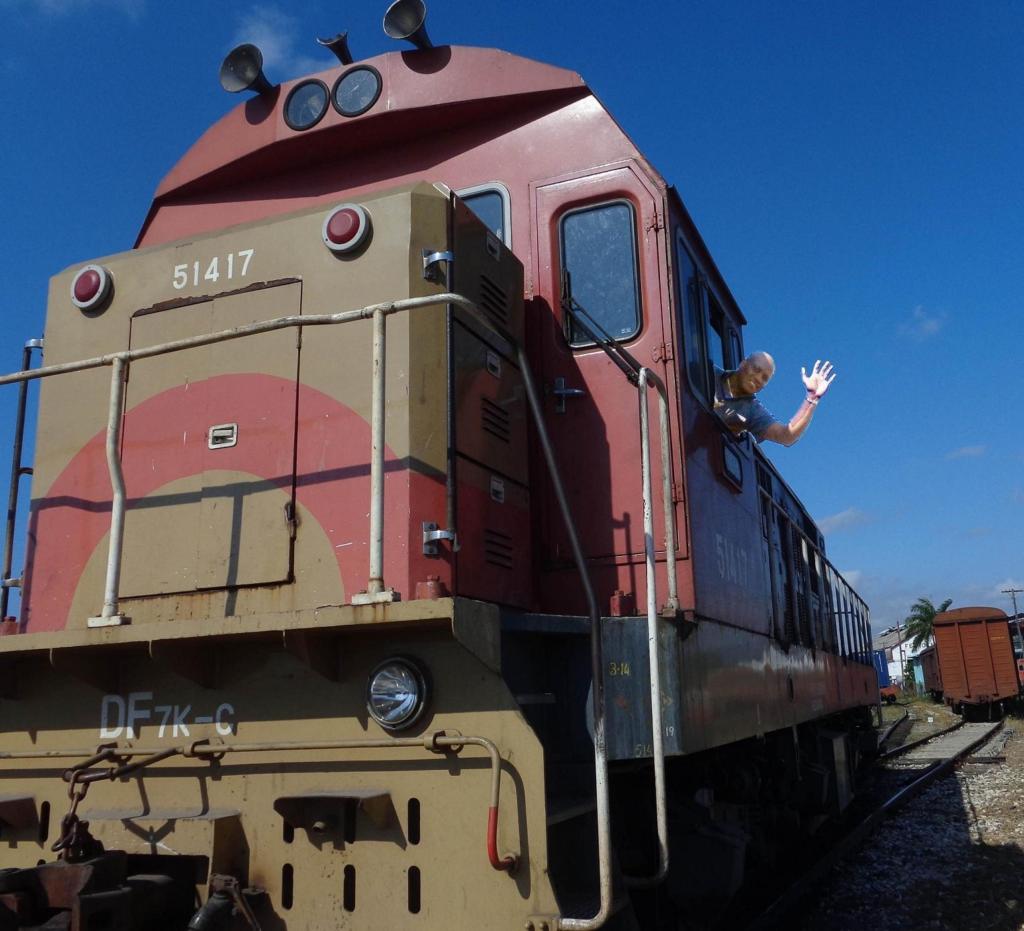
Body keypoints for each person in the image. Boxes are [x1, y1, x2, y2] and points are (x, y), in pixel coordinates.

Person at [713, 352, 835, 446]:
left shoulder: (752, 410)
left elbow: (786, 436)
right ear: (743, 364)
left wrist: (812, 397)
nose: (758, 379)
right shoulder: (710, 372)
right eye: (756, 369)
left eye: (764, 378)